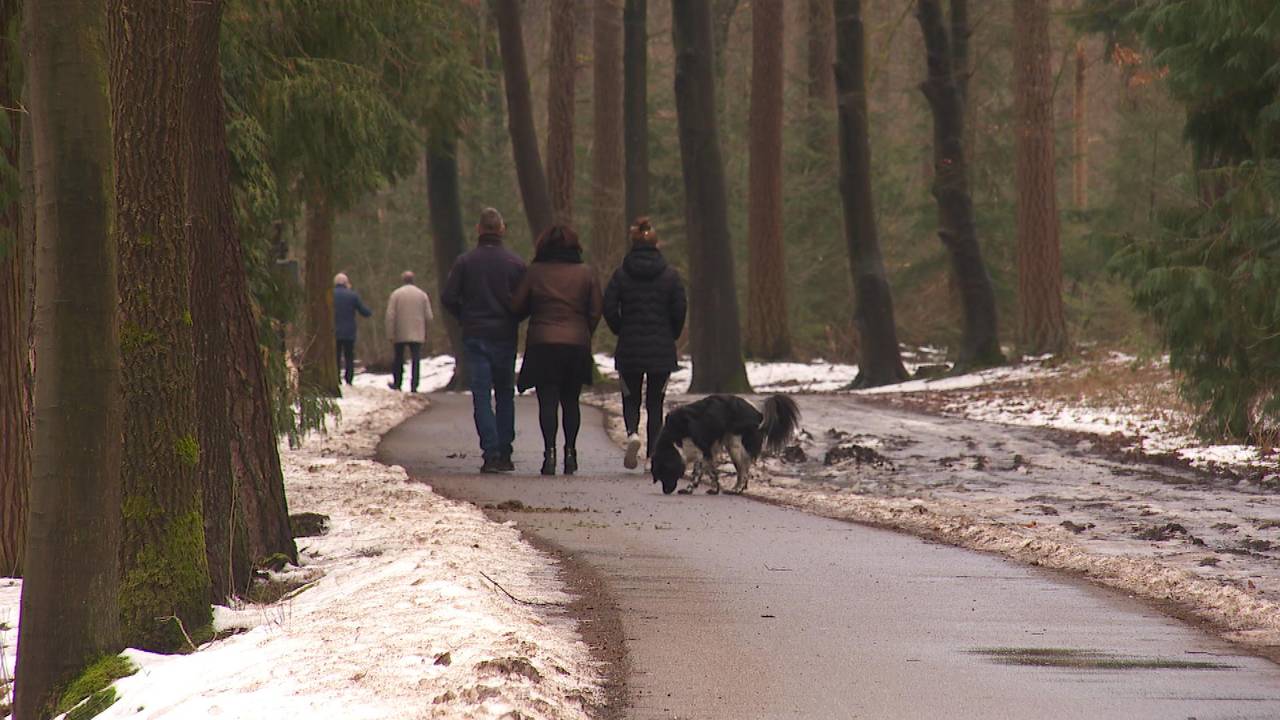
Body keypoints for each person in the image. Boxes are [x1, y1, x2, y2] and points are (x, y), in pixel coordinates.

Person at [511, 225, 603, 476]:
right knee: (571, 401)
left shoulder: (535, 272)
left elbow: (517, 306)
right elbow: (595, 310)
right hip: (575, 344)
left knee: (547, 402)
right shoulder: (586, 273)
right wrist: (584, 331)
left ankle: (549, 452)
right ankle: (571, 452)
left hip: (543, 344)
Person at [442, 208, 527, 474]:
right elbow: (526, 300)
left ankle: (490, 453)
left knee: (481, 395)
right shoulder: (515, 264)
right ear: (501, 229)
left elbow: (448, 297)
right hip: (504, 334)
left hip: (476, 334)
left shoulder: (465, 262)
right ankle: (505, 452)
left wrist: (465, 316)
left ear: (479, 229)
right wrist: (514, 317)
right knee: (505, 394)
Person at [603, 217, 687, 468]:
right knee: (655, 403)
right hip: (661, 349)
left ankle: (632, 434)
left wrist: (620, 328)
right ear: (656, 243)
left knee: (631, 398)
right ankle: (653, 455)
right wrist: (671, 333)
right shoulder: (671, 275)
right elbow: (680, 308)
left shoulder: (621, 274)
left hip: (629, 347)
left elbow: (608, 306)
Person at [385, 270, 434, 393]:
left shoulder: (396, 294)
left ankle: (397, 383)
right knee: (416, 359)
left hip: (400, 331)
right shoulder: (422, 295)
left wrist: (390, 333)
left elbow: (390, 315)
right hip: (417, 331)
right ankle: (414, 385)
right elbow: (429, 316)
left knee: (399, 358)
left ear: (403, 280)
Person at [333, 272, 373, 385]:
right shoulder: (352, 295)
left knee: (336, 355)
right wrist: (370, 312)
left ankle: (336, 378)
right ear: (346, 283)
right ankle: (349, 379)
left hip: (333, 331)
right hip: (349, 331)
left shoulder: (330, 294)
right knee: (349, 355)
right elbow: (364, 311)